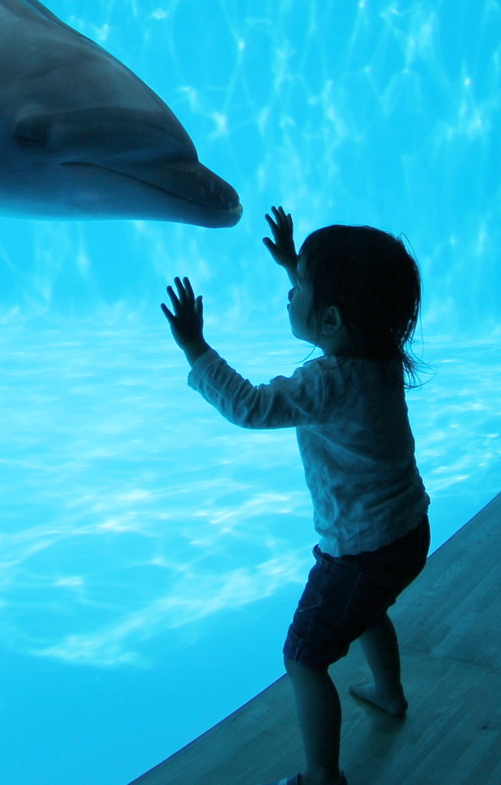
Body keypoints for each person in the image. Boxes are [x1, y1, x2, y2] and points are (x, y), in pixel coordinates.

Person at [161, 206, 429, 785]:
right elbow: (339, 311)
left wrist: (195, 349)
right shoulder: (380, 356)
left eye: (300, 285)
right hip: (407, 532)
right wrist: (293, 262)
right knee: (370, 610)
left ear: (331, 318)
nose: (290, 294)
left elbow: (252, 407)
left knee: (304, 658)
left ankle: (321, 777)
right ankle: (388, 693)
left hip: (358, 549)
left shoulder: (326, 382)